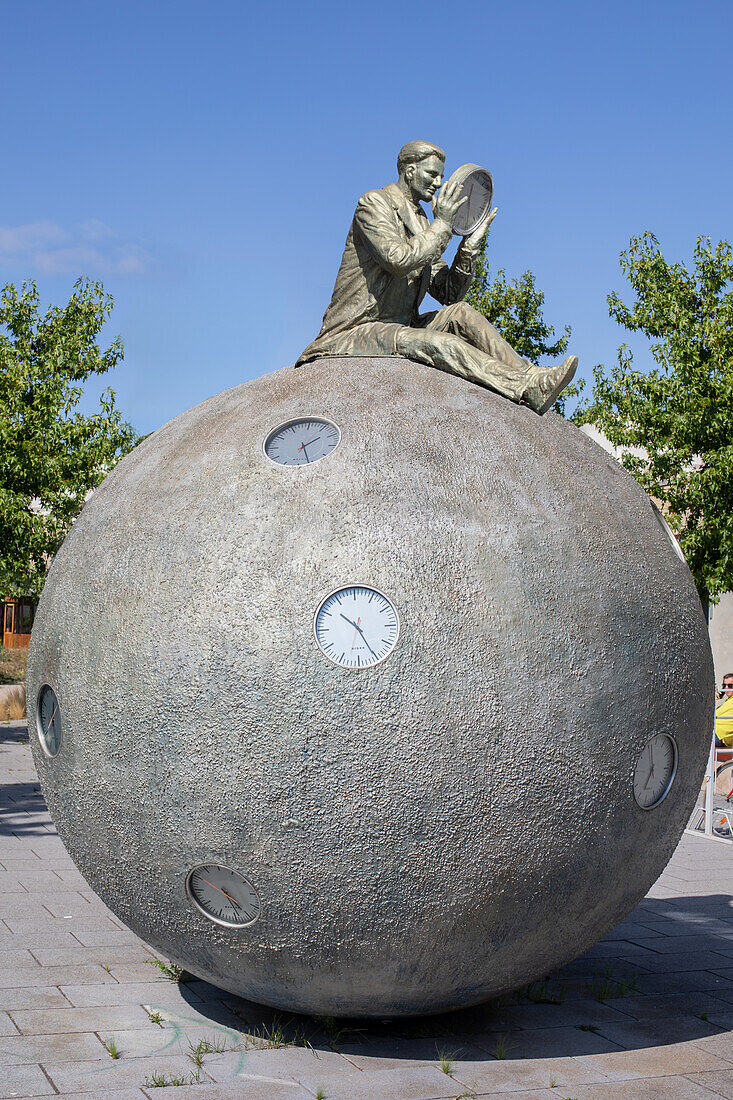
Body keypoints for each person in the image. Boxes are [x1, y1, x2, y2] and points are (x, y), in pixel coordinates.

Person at [296, 140, 578, 415]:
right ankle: (522, 387)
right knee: (441, 344)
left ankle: (532, 376)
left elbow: (448, 293)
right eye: (432, 174)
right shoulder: (373, 203)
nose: (439, 182)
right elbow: (399, 259)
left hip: (401, 324)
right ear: (409, 171)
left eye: (441, 175)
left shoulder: (422, 222)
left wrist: (468, 245)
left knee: (461, 314)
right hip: (358, 329)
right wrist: (442, 224)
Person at [715, 673, 733, 748]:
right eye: (724, 685)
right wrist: (715, 698)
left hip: (719, 736)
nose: (726, 688)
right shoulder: (728, 701)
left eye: (730, 685)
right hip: (712, 731)